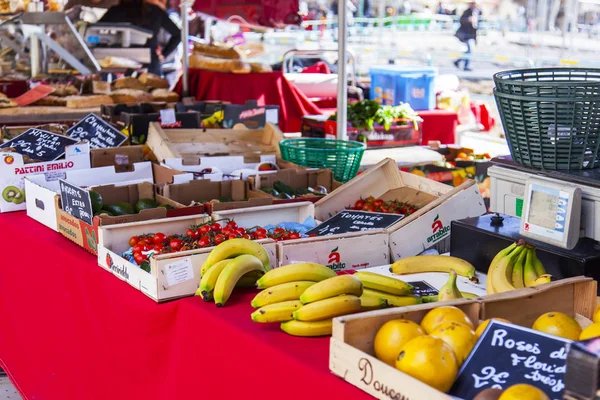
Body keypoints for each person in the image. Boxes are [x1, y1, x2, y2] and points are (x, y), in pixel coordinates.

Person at [99, 0, 181, 75]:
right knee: (153, 90)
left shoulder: (115, 11)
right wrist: (164, 54)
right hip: (150, 63)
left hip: (119, 64)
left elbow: (93, 34)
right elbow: (178, 35)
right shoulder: (155, 10)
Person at [454, 1, 480, 72]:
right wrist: (468, 20)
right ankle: (466, 66)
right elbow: (461, 20)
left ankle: (458, 61)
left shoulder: (477, 12)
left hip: (472, 34)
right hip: (467, 34)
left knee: (469, 51)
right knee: (470, 50)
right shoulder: (467, 12)